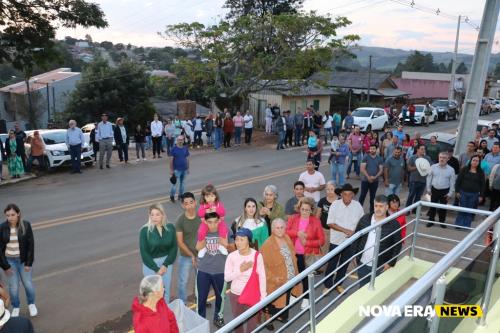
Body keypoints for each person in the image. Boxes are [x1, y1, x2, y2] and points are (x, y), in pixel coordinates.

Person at [352, 195, 402, 288]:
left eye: (381, 206)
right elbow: (356, 238)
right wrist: (354, 256)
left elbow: (397, 245)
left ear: (387, 207)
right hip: (362, 263)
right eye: (376, 206)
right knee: (362, 289)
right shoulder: (365, 219)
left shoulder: (394, 224)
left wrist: (390, 263)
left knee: (377, 290)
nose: (378, 209)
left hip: (381, 266)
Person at [224, 228, 267, 333]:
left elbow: (262, 277)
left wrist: (263, 297)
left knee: (252, 324)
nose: (238, 242)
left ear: (249, 240)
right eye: (236, 239)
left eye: (241, 239)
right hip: (235, 295)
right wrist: (240, 270)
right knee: (237, 323)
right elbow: (227, 277)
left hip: (252, 294)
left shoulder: (257, 255)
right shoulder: (231, 256)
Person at [323, 184, 364, 293]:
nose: (347, 197)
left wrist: (354, 232)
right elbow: (330, 223)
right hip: (336, 241)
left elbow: (362, 222)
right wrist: (345, 230)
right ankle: (327, 285)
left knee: (344, 263)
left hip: (351, 241)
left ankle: (338, 284)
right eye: (345, 194)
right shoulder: (335, 205)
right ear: (341, 194)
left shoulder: (358, 206)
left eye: (350, 194)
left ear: (353, 195)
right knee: (332, 263)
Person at [261, 218, 301, 325]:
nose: (279, 230)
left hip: (289, 277)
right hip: (277, 281)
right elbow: (263, 266)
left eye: (282, 227)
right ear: (273, 229)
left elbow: (293, 254)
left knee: (285, 298)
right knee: (274, 301)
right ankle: (268, 317)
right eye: (277, 228)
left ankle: (281, 315)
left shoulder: (287, 238)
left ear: (285, 228)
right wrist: (274, 279)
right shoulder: (267, 245)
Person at [286, 197, 325, 310]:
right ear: (299, 208)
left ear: (311, 210)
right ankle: (294, 294)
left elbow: (321, 241)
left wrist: (307, 242)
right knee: (294, 275)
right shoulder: (293, 218)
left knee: (306, 277)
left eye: (307, 210)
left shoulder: (316, 221)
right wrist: (297, 233)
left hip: (308, 255)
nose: (304, 212)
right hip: (294, 253)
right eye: (302, 209)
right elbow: (286, 232)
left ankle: (306, 298)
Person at [0, 204, 37, 317]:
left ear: (18, 213)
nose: (10, 217)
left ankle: (31, 304)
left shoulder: (26, 225)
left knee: (28, 284)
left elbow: (30, 245)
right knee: (14, 286)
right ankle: (16, 306)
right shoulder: (2, 227)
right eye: (7, 215)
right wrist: (5, 266)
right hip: (9, 261)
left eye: (12, 214)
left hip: (22, 261)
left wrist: (28, 263)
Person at [139, 204, 177, 304]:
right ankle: (152, 318)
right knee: (151, 295)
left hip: (166, 263)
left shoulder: (170, 228)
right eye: (152, 215)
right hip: (150, 265)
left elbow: (174, 248)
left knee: (165, 292)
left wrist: (165, 265)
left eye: (157, 214)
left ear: (163, 215)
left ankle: (164, 317)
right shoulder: (144, 231)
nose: (154, 217)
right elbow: (144, 253)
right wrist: (156, 269)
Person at [195, 212, 228, 328]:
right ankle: (200, 321)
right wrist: (203, 235)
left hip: (220, 270)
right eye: (209, 222)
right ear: (205, 222)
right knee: (201, 298)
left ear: (219, 221)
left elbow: (227, 244)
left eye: (215, 222)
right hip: (204, 270)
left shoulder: (224, 230)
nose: (212, 225)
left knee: (220, 296)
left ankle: (218, 316)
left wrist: (219, 237)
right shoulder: (201, 231)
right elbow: (198, 247)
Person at [175, 192, 201, 304]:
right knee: (183, 281)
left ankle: (199, 298)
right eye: (186, 204)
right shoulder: (180, 221)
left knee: (200, 279)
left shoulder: (201, 217)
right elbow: (180, 242)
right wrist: (191, 256)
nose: (189, 206)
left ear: (195, 203)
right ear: (183, 205)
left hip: (201, 255)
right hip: (186, 256)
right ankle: (182, 304)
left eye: (191, 202)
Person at [196, 184, 229, 257]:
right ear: (204, 197)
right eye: (207, 196)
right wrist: (206, 211)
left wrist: (216, 209)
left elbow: (223, 212)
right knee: (201, 231)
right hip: (206, 223)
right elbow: (200, 213)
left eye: (212, 196)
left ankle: (221, 246)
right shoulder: (203, 205)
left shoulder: (218, 204)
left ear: (215, 196)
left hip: (219, 222)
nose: (210, 198)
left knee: (224, 229)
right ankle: (203, 248)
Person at [426, 152, 456, 228]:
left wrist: (450, 193)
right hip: (434, 189)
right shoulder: (433, 167)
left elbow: (452, 183)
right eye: (440, 157)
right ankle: (431, 221)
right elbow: (429, 178)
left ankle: (442, 222)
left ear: (447, 159)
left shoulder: (451, 170)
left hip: (444, 191)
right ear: (438, 157)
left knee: (443, 207)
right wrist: (428, 189)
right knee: (432, 206)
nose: (442, 159)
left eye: (444, 157)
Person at [455, 155, 485, 229]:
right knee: (462, 208)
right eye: (474, 160)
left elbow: (483, 185)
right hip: (463, 193)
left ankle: (466, 225)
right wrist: (457, 191)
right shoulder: (464, 169)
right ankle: (459, 224)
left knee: (470, 209)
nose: (475, 162)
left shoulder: (481, 172)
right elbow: (458, 181)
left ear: (479, 162)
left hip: (474, 194)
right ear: (471, 161)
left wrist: (481, 195)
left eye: (477, 161)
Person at [405, 145, 432, 210]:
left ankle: (415, 210)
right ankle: (407, 210)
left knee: (418, 197)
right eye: (422, 149)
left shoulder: (428, 158)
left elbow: (430, 168)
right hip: (414, 180)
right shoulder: (412, 158)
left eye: (424, 149)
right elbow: (408, 169)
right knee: (411, 196)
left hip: (423, 181)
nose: (423, 150)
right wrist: (418, 167)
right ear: (417, 149)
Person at [359, 144, 384, 213]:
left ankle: (371, 212)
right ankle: (358, 210)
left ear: (376, 149)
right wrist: (369, 177)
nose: (372, 150)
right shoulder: (366, 157)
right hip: (365, 181)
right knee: (362, 196)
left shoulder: (379, 158)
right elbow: (362, 169)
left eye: (373, 149)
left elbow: (381, 170)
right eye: (371, 149)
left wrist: (375, 177)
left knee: (372, 197)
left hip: (375, 181)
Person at [316, 181, 337, 255]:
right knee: (324, 249)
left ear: (336, 189)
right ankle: (325, 263)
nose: (330, 191)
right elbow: (318, 215)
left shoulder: (340, 201)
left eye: (332, 189)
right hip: (324, 230)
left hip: (336, 231)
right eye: (328, 189)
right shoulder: (322, 201)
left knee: (334, 249)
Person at [169, 136, 189, 203]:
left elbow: (187, 158)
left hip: (184, 169)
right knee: (174, 184)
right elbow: (171, 160)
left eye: (182, 140)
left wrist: (188, 168)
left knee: (182, 183)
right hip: (176, 170)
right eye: (179, 140)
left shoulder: (185, 148)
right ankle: (172, 196)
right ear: (177, 141)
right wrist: (171, 170)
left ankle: (181, 196)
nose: (180, 141)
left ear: (183, 140)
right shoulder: (173, 149)